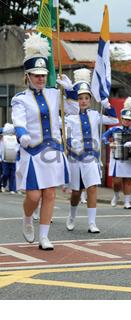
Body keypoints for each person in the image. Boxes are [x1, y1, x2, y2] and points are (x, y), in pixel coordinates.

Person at [12, 33, 78, 250]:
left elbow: (74, 110)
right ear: (28, 76)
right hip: (31, 152)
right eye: (36, 75)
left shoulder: (53, 94)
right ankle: (27, 218)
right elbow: (18, 120)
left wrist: (70, 91)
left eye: (43, 75)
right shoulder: (20, 99)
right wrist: (22, 136)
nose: (41, 79)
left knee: (50, 193)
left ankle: (44, 236)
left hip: (52, 151)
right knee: (33, 195)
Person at [62, 68, 118, 233]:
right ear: (75, 100)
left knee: (92, 188)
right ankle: (72, 215)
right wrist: (75, 147)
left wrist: (106, 103)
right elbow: (67, 137)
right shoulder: (69, 118)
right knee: (76, 193)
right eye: (80, 98)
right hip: (75, 159)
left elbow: (114, 119)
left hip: (91, 158)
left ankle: (92, 223)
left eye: (86, 98)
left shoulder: (95, 115)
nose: (84, 101)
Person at [102, 97, 131, 209]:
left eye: (128, 119)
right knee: (117, 180)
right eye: (124, 119)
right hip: (117, 157)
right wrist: (110, 143)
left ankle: (127, 202)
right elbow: (103, 137)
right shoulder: (114, 130)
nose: (126, 121)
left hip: (129, 158)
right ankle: (116, 195)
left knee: (128, 181)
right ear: (121, 118)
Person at [0, 123, 18, 194]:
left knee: (13, 175)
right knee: (5, 174)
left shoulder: (15, 139)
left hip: (13, 160)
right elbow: (2, 150)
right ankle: (3, 185)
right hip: (5, 160)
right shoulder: (4, 140)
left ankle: (12, 188)